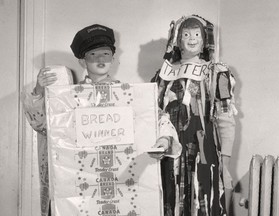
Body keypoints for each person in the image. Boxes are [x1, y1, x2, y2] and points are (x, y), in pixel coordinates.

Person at [22, 23, 181, 216]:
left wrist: (163, 140)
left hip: (120, 185)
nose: (100, 59)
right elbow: (43, 125)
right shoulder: (67, 98)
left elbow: (158, 119)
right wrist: (39, 92)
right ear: (82, 61)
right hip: (80, 187)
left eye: (105, 54)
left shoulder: (130, 96)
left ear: (113, 58)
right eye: (93, 54)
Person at [151, 15, 237, 216]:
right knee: (170, 203)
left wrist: (226, 163)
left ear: (205, 40)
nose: (192, 39)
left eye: (197, 34)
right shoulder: (161, 76)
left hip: (203, 154)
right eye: (186, 34)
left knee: (203, 202)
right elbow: (152, 114)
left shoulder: (217, 72)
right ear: (177, 40)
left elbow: (225, 119)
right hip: (169, 155)